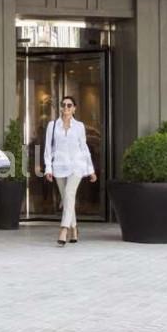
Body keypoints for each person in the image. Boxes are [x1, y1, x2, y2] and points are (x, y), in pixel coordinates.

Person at [44, 96, 97, 246]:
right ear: (60, 108)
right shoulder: (52, 125)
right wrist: (48, 168)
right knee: (68, 199)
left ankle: (64, 229)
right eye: (63, 105)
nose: (66, 108)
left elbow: (84, 148)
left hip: (76, 166)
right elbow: (48, 149)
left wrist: (90, 169)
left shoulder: (79, 126)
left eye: (69, 105)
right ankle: (74, 228)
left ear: (74, 108)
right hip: (59, 167)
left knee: (68, 194)